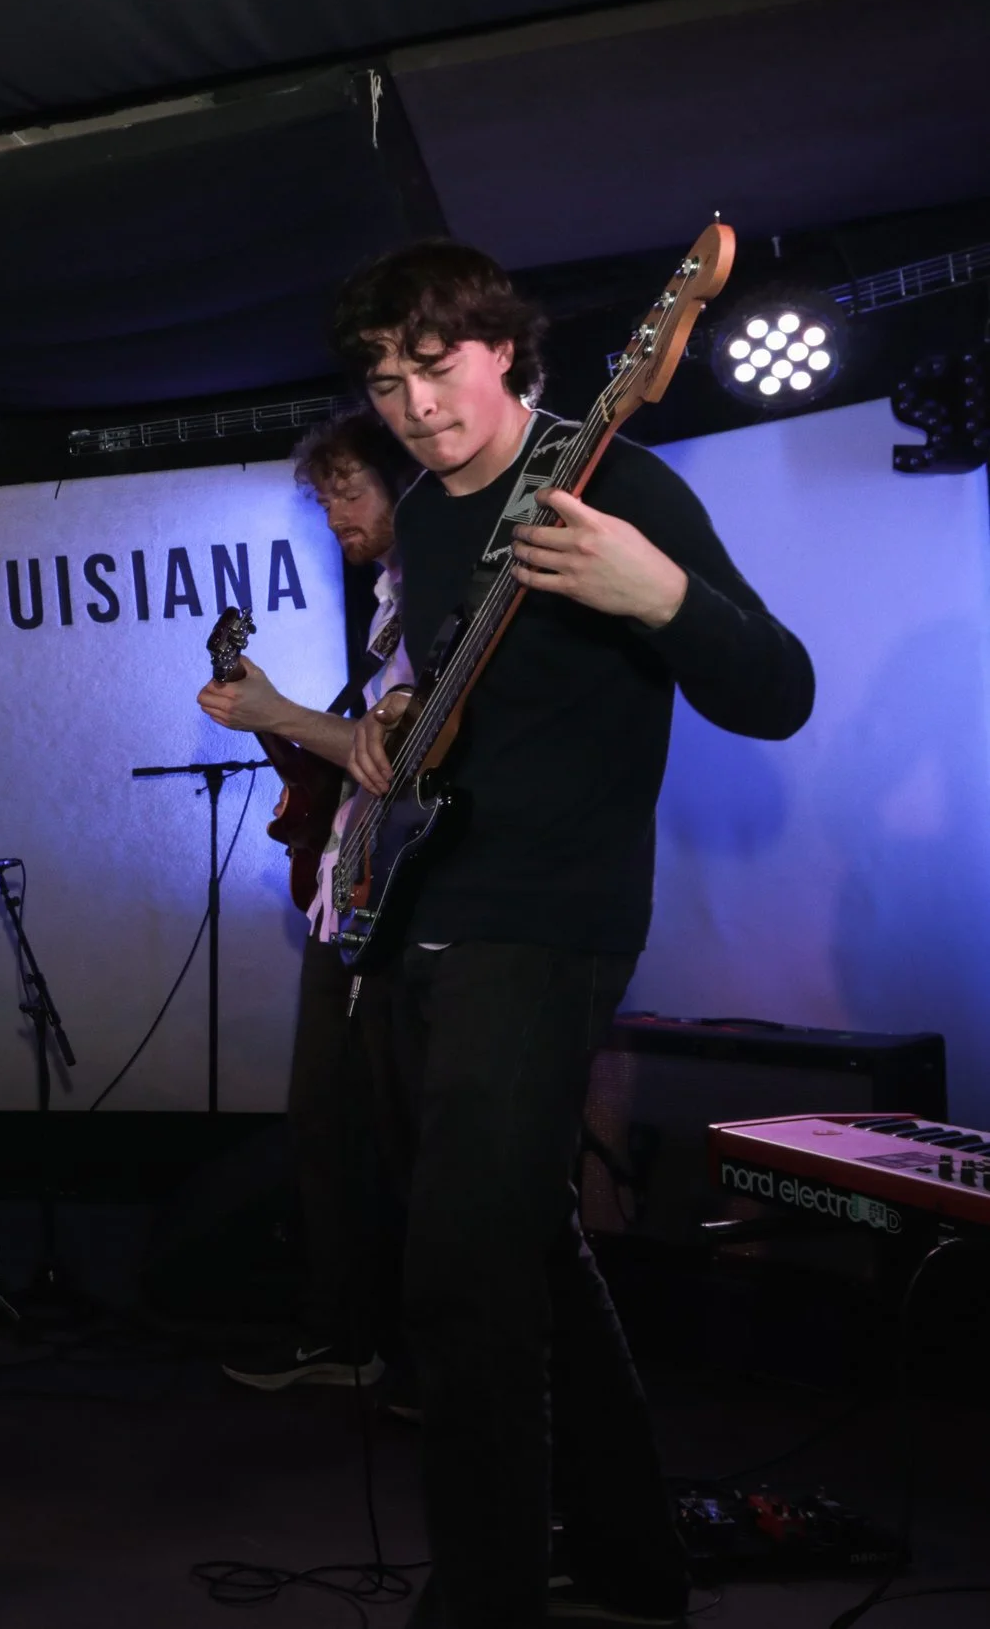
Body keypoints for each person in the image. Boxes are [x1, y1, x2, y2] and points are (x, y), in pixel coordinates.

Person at [327, 240, 814, 1628]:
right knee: (522, 1236)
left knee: (462, 1278)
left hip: (554, 922)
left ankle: (483, 1599)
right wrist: (388, 733)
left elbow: (778, 689)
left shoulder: (616, 481)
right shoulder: (423, 519)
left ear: (502, 349)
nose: (415, 404)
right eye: (386, 380)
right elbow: (443, 711)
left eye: (435, 367)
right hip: (437, 905)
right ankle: (631, 1556)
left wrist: (648, 588)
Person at [196, 411, 419, 1407]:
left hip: (409, 913)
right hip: (350, 899)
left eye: (346, 489)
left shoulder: (443, 602)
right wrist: (283, 726)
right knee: (323, 1127)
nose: (330, 512)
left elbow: (398, 757)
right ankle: (343, 1331)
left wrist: (280, 713)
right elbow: (354, 760)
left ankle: (432, 1358)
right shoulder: (383, 609)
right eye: (321, 494)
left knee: (407, 1137)